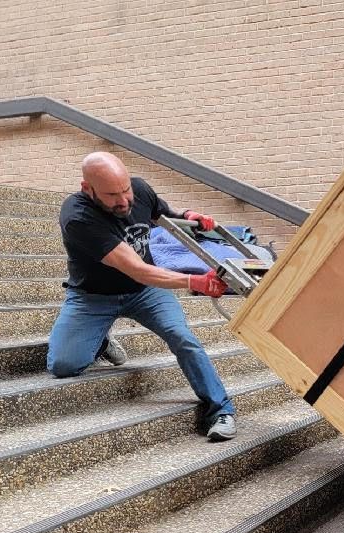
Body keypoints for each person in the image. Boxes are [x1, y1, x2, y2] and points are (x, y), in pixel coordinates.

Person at [48, 152, 236, 441]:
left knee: (181, 336)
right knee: (63, 366)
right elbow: (138, 269)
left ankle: (221, 409)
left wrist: (188, 216)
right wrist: (195, 281)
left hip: (144, 293)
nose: (123, 201)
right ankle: (99, 340)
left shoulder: (139, 189)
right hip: (93, 297)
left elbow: (161, 213)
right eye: (112, 195)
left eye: (126, 190)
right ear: (88, 189)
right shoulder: (78, 217)